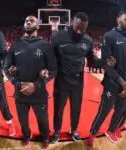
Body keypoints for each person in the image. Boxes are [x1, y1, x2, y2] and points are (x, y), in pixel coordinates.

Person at [4, 15, 57, 149]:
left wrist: (36, 84)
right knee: (23, 120)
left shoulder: (45, 44)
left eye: (31, 20)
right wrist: (17, 83)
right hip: (20, 91)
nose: (28, 22)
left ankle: (45, 137)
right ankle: (26, 135)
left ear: (38, 26)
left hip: (38, 92)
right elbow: (6, 67)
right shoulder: (16, 45)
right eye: (26, 20)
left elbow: (53, 70)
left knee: (43, 119)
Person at [51, 12, 95, 143]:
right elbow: (50, 58)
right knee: (58, 109)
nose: (80, 30)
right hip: (61, 80)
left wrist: (106, 62)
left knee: (76, 109)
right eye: (78, 26)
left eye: (83, 28)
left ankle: (74, 130)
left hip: (78, 82)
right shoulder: (58, 36)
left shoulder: (88, 40)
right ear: (72, 23)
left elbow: (92, 59)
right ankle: (57, 131)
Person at [87, 11, 126, 147]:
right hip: (113, 84)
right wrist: (123, 83)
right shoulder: (110, 36)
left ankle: (111, 130)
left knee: (120, 111)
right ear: (118, 20)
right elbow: (106, 64)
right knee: (103, 112)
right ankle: (92, 134)